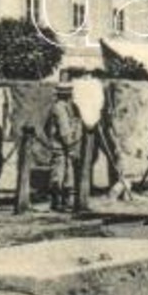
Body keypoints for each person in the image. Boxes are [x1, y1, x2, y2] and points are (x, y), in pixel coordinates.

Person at [43, 82, 84, 212]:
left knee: (66, 175)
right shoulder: (60, 109)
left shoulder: (63, 107)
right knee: (59, 176)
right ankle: (57, 203)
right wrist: (71, 144)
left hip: (63, 146)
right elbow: (64, 130)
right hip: (61, 147)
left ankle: (63, 202)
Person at [72, 72, 107, 203]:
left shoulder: (95, 86)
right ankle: (81, 188)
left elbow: (98, 103)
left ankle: (86, 185)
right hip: (83, 126)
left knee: (91, 157)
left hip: (91, 125)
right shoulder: (84, 86)